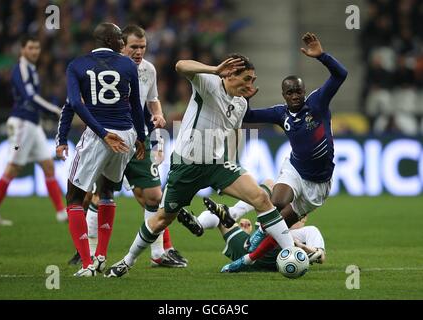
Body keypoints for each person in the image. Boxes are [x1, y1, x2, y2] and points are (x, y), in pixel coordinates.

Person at [104, 53, 295, 278]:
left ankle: (291, 252)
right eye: (247, 79)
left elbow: (232, 131)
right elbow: (180, 65)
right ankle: (127, 261)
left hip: (216, 163)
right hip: (187, 164)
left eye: (253, 80)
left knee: (261, 198)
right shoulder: (209, 82)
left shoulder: (241, 104)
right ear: (230, 74)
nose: (251, 85)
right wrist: (214, 69)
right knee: (162, 219)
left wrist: (233, 162)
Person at [203, 32, 347, 272]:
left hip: (318, 184)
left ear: (303, 91)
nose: (294, 96)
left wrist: (322, 56)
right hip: (295, 170)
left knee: (279, 224)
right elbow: (247, 116)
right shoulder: (281, 114)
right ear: (284, 95)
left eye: (297, 92)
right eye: (289, 93)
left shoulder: (318, 102)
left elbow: (341, 74)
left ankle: (247, 259)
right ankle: (254, 234)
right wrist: (245, 97)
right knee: (277, 201)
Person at [57, 24, 187, 267]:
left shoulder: (148, 70)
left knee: (152, 195)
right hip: (112, 135)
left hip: (136, 137)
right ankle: (91, 252)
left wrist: (156, 117)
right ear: (120, 45)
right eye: (133, 47)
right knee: (96, 195)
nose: (139, 52)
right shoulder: (110, 67)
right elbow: (72, 102)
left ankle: (158, 253)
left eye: (143, 47)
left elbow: (152, 101)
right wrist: (64, 136)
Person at [64, 22, 146, 277]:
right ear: (110, 41)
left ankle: (87, 264)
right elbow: (135, 106)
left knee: (74, 198)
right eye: (120, 38)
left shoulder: (77, 65)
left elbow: (76, 103)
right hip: (126, 135)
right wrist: (141, 137)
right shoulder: (128, 65)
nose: (123, 43)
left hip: (101, 135)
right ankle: (101, 256)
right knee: (107, 191)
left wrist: (101, 133)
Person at [0, 34, 66, 226]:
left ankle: (61, 212)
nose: (35, 51)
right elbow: (30, 97)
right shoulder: (21, 68)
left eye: (37, 48)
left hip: (33, 124)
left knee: (48, 165)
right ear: (22, 50)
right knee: (13, 168)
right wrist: (54, 110)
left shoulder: (31, 69)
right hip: (21, 124)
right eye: (30, 48)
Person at [180, 206, 325, 272]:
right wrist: (247, 233)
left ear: (304, 217)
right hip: (248, 250)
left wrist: (302, 247)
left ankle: (234, 212)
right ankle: (198, 224)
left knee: (264, 190)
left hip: (254, 255)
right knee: (217, 214)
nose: (284, 216)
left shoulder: (308, 231)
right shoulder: (277, 225)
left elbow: (321, 256)